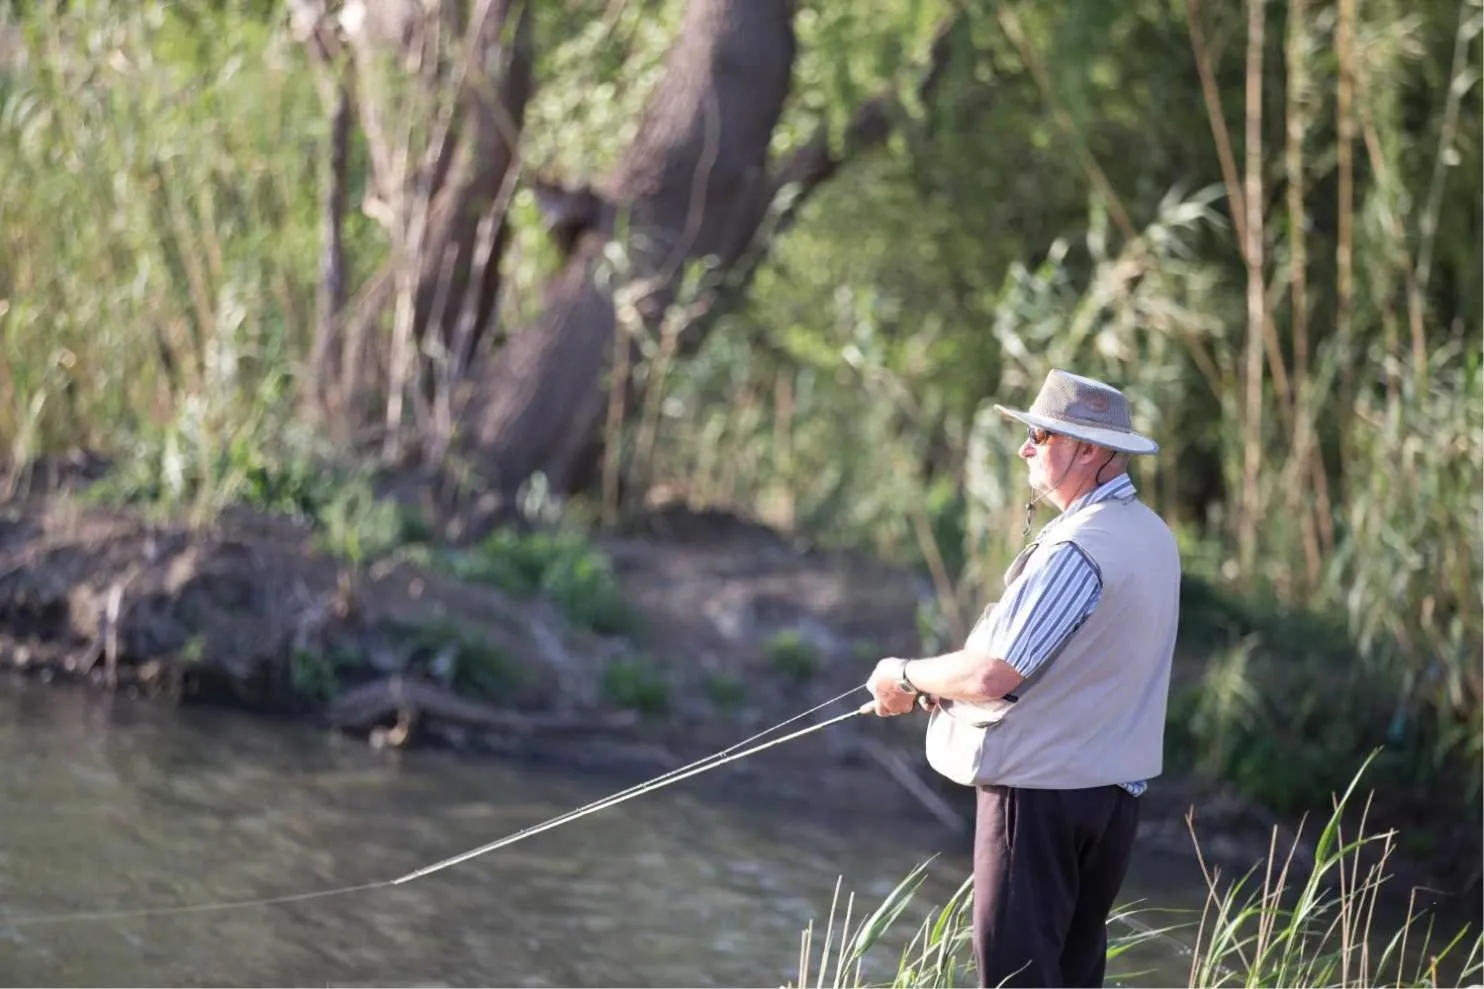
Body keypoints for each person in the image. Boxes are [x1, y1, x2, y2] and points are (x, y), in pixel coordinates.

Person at [865, 369, 1181, 989]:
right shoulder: (1155, 537)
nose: (1025, 448)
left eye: (1040, 434)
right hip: (1114, 804)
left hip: (1039, 799)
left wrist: (901, 674)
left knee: (1016, 977)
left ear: (1089, 450)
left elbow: (992, 673)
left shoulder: (1079, 547)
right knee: (1073, 974)